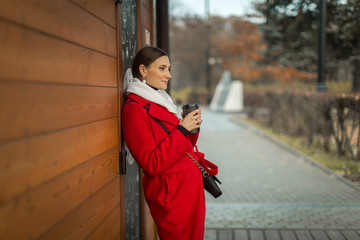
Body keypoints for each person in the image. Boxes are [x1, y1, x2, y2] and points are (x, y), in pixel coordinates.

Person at [122, 46, 205, 239]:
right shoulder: (134, 108)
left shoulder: (161, 100)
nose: (168, 74)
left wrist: (192, 127)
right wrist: (182, 129)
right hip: (172, 193)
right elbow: (151, 163)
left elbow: (183, 145)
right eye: (162, 68)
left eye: (169, 69)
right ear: (143, 70)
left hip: (188, 187)